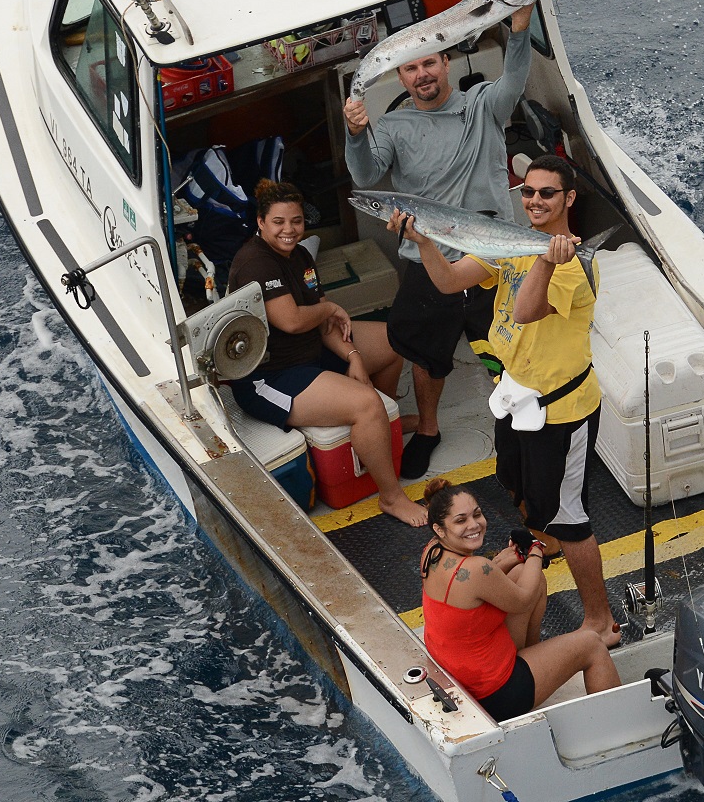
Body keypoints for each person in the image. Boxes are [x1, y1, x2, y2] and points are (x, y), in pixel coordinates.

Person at [391, 154, 621, 647]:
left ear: (569, 199)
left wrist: (543, 257)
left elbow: (524, 308)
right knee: (515, 484)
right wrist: (423, 240)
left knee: (571, 516)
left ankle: (600, 620)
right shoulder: (512, 243)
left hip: (563, 410)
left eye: (547, 194)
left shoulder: (571, 266)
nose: (535, 201)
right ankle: (546, 541)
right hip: (517, 399)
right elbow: (450, 281)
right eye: (528, 192)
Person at [342, 2, 537, 479]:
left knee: (512, 349)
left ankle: (526, 426)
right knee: (427, 359)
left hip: (492, 257)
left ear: (447, 62)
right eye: (410, 67)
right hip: (429, 261)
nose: (422, 73)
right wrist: (355, 132)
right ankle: (428, 429)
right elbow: (366, 173)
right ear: (401, 77)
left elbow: (514, 76)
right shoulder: (390, 127)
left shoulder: (484, 106)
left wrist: (520, 25)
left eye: (430, 62)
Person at [227, 180, 427, 527]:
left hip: (310, 352)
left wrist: (353, 355)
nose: (289, 230)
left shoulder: (300, 254)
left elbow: (322, 323)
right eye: (278, 222)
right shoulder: (255, 264)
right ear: (260, 222)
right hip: (271, 377)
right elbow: (291, 320)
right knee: (365, 403)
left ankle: (383, 429)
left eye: (296, 221)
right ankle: (392, 497)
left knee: (394, 343)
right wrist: (331, 307)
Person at [420, 478, 619, 720]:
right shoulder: (476, 569)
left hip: (459, 673)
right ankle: (615, 724)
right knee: (592, 644)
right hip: (496, 694)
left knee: (521, 575)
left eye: (477, 514)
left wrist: (514, 558)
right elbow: (523, 599)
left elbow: (474, 588)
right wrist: (535, 549)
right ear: (439, 528)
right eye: (461, 520)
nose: (474, 525)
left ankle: (536, 660)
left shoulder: (431, 551)